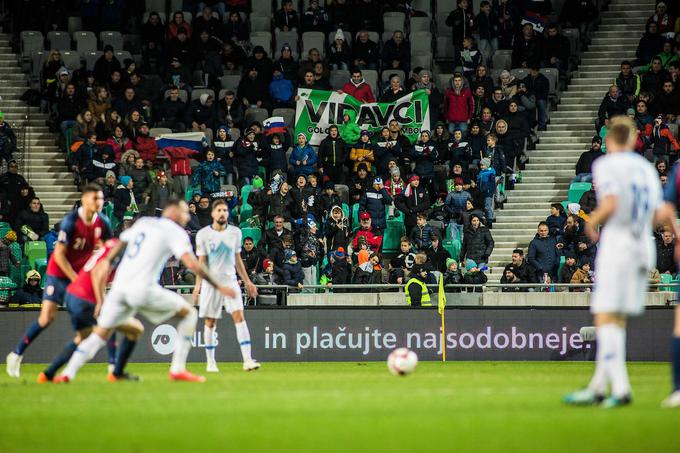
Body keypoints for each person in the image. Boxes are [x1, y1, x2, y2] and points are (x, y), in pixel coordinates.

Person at [56, 199, 247, 383]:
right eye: (185, 212)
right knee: (189, 314)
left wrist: (105, 265)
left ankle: (67, 373)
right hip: (142, 288)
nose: (188, 217)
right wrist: (219, 286)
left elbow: (114, 250)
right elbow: (193, 264)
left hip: (119, 288)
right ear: (172, 211)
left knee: (100, 334)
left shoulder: (143, 223)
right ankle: (178, 369)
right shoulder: (175, 232)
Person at [565, 116, 672, 408]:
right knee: (616, 320)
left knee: (604, 316)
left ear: (610, 140)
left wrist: (592, 222)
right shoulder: (646, 168)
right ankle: (599, 386)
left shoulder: (607, 164)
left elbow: (611, 201)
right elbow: (661, 209)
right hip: (643, 248)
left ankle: (621, 389)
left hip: (619, 245)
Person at [6, 185, 113, 379]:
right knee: (47, 318)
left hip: (80, 276)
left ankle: (113, 369)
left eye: (101, 199)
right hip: (59, 274)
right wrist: (76, 278)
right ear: (85, 199)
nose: (99, 203)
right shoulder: (71, 221)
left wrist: (100, 283)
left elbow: (106, 255)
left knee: (96, 324)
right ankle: (16, 354)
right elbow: (60, 255)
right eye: (95, 199)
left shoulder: (103, 223)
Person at [38, 239, 144, 383]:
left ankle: (48, 374)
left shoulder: (111, 244)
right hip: (86, 298)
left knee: (83, 337)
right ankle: (114, 370)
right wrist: (100, 300)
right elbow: (97, 272)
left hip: (72, 295)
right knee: (133, 328)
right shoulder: (121, 249)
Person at [192, 199, 260, 373]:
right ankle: (211, 362)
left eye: (225, 210)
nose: (222, 213)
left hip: (230, 282)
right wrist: (197, 286)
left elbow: (237, 260)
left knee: (239, 317)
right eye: (219, 210)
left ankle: (247, 360)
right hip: (210, 284)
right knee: (210, 321)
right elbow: (201, 262)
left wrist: (247, 281)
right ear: (213, 214)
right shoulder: (203, 235)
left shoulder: (235, 233)